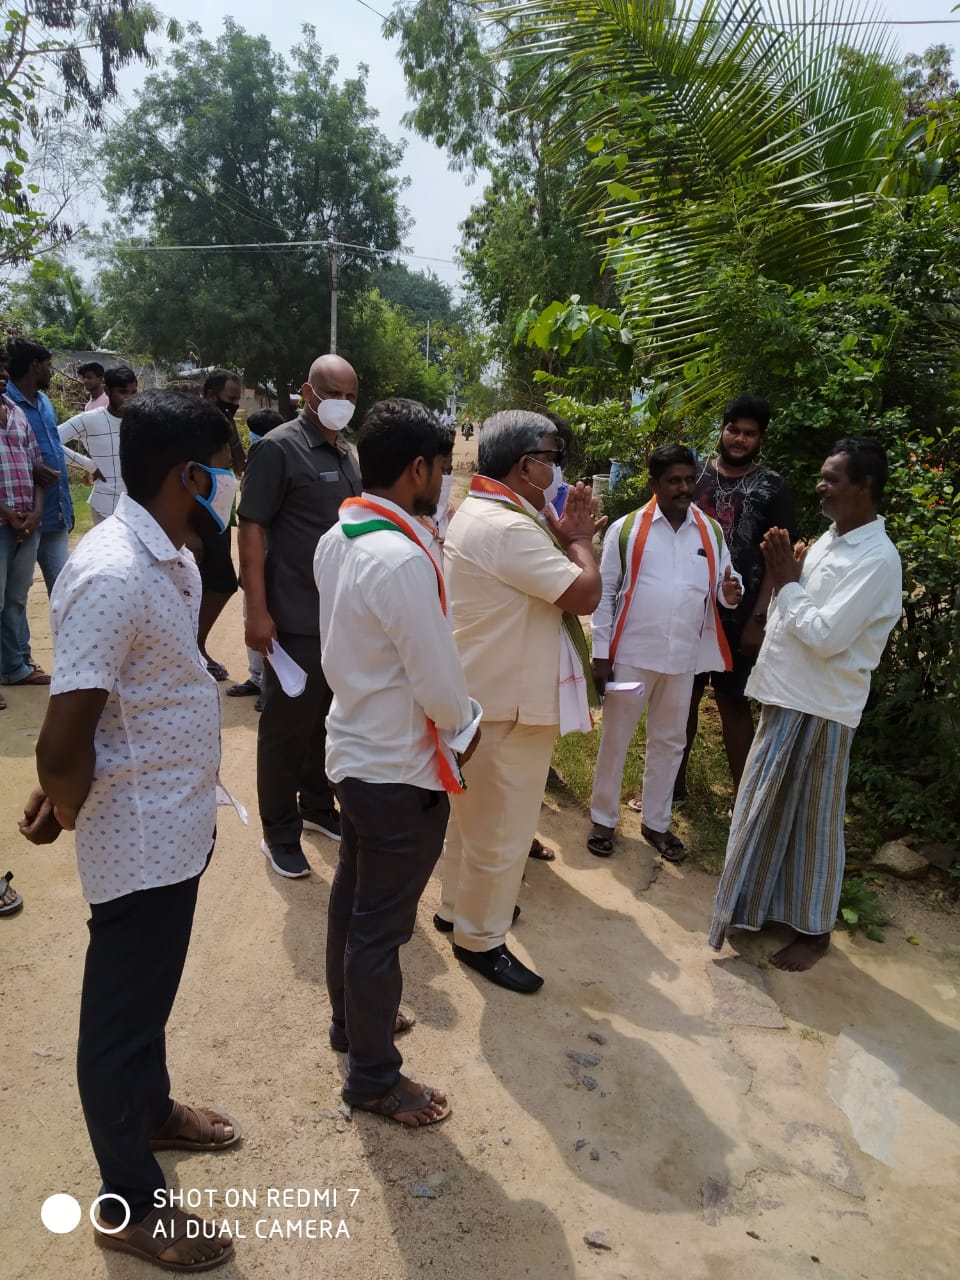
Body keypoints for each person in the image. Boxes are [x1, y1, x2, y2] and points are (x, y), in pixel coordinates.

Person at [19, 388, 243, 1270]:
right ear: (188, 475)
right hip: (138, 838)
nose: (231, 483)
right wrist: (63, 797)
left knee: (148, 997)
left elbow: (125, 694)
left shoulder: (171, 554)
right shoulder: (113, 573)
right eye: (223, 469)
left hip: (173, 822)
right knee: (118, 1021)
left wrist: (68, 783)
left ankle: (149, 1111)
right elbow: (62, 734)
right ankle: (129, 1202)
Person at [316, 397, 481, 1125]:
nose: (444, 483)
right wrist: (467, 725)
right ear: (418, 468)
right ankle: (374, 1077)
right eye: (443, 469)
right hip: (398, 769)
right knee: (380, 928)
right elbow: (440, 685)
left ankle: (353, 1025)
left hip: (357, 752)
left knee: (354, 903)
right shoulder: (400, 557)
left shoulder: (341, 536)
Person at [709, 439, 902, 972]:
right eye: (822, 476)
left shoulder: (877, 560)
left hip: (821, 706)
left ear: (864, 487)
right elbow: (797, 615)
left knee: (814, 821)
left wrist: (788, 583)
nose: (821, 486)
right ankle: (761, 907)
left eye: (832, 479)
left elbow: (825, 636)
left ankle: (815, 932)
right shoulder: (830, 543)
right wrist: (788, 580)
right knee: (768, 811)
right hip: (787, 694)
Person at [437, 410, 603, 994]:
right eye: (552, 458)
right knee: (503, 832)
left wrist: (562, 535)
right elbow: (583, 593)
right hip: (508, 702)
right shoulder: (508, 527)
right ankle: (481, 938)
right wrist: (579, 542)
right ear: (526, 465)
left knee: (474, 823)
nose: (557, 470)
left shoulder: (485, 511)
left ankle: (457, 908)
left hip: (489, 693)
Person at [238, 353, 361, 878]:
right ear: (307, 394)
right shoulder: (279, 448)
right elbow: (251, 527)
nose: (342, 404)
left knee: (324, 721)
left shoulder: (348, 452)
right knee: (286, 730)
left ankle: (316, 806)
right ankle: (279, 831)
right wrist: (257, 610)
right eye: (333, 394)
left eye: (351, 396)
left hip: (338, 616)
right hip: (293, 616)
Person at [588, 445, 742, 862]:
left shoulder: (709, 532)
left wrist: (730, 594)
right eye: (674, 481)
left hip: (682, 659)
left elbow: (725, 585)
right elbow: (605, 593)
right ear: (654, 483)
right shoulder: (627, 530)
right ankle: (603, 818)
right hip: (632, 656)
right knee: (616, 737)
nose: (684, 488)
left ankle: (656, 822)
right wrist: (601, 655)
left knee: (670, 741)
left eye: (689, 479)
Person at [648, 394, 796, 810]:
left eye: (750, 433)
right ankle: (670, 791)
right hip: (689, 612)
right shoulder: (692, 477)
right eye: (734, 429)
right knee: (682, 700)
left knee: (733, 702)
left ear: (760, 438)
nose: (739, 439)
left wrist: (759, 618)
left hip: (742, 617)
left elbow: (778, 559)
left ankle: (744, 803)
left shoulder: (773, 487)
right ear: (722, 429)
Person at [5, 337, 73, 596]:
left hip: (54, 511)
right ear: (35, 365)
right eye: (48, 365)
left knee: (64, 590)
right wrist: (31, 467)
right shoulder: (6, 406)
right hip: (18, 517)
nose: (50, 371)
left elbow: (54, 446)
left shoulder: (44, 401)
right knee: (14, 595)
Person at [227, 408, 285, 704]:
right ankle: (258, 678)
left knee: (272, 622)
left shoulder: (279, 460)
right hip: (256, 555)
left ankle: (272, 687)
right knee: (251, 617)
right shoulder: (255, 460)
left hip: (275, 556)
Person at [194, 369, 246, 680]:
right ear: (210, 394)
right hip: (196, 517)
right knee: (217, 582)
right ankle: (193, 647)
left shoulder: (223, 427)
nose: (233, 407)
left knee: (217, 583)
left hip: (220, 516)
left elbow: (239, 465)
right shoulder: (191, 424)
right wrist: (189, 531)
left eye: (236, 402)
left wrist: (232, 430)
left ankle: (194, 646)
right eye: (229, 400)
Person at [0, 345, 45, 697]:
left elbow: (37, 468)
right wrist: (6, 513)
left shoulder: (16, 413)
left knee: (16, 598)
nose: (3, 376)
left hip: (27, 521)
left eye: (3, 369)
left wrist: (35, 513)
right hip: (4, 522)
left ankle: (15, 668)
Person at [58, 365, 139, 524]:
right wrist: (89, 465)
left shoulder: (141, 420)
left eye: (133, 393)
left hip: (137, 506)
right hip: (106, 506)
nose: (129, 398)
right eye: (123, 392)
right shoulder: (90, 419)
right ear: (107, 391)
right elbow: (50, 440)